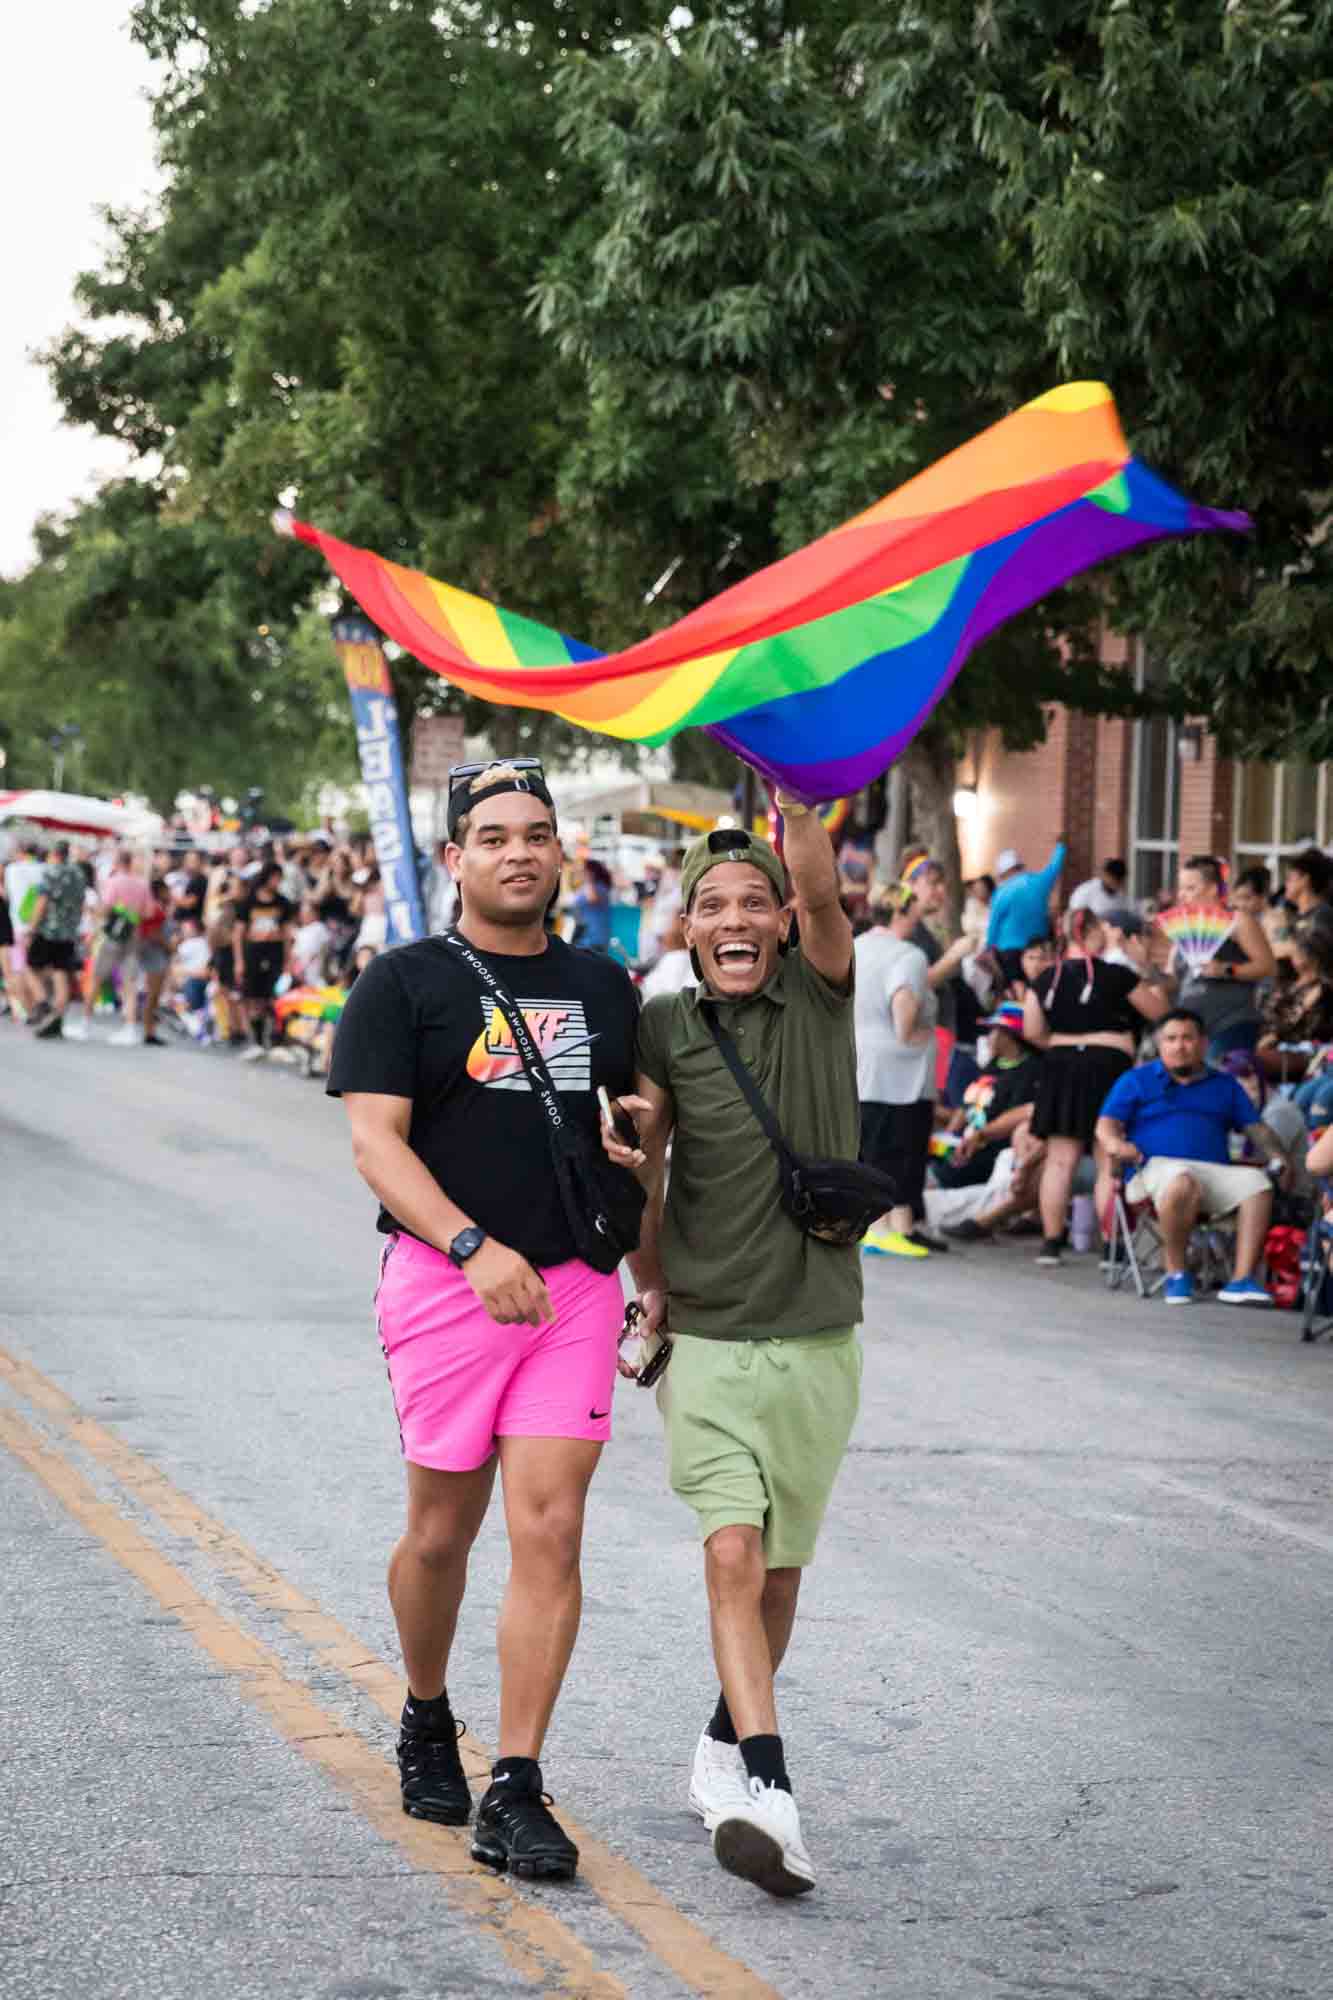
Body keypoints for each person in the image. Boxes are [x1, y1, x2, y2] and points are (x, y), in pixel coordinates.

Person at [328, 759, 643, 1884]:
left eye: (539, 833)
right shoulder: (403, 982)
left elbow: (625, 1133)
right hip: (448, 1285)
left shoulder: (608, 989)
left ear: (563, 854)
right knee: (438, 1534)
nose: (520, 850)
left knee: (550, 1530)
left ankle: (515, 1780)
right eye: (495, 834)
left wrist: (642, 1152)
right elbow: (376, 1141)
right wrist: (472, 1246)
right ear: (455, 859)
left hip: (573, 1289)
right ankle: (424, 1711)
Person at [603, 800, 861, 1900]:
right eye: (713, 905)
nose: (737, 917)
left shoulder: (818, 990)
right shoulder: (665, 1021)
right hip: (705, 1329)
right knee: (729, 1553)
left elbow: (820, 890)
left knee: (781, 1570)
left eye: (754, 901)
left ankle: (720, 1738)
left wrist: (795, 803)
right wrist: (644, 1275)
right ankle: (769, 1787)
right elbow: (648, 1153)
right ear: (690, 927)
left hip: (817, 1332)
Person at [1096, 1009, 1288, 1306]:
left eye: (1187, 1038)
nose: (1179, 1045)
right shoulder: (1136, 1080)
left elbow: (1256, 1129)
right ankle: (1177, 1272)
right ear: (1160, 1045)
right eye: (1170, 1039)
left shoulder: (1224, 1085)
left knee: (1257, 1183)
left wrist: (1278, 1156)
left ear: (1203, 1043)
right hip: (1153, 1169)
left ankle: (1240, 1280)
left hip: (1213, 1172)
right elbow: (1106, 1125)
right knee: (1181, 1180)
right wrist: (1115, 1144)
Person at [1023, 909, 1172, 1265]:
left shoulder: (1046, 979)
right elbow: (1159, 1012)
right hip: (1108, 1067)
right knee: (1108, 1158)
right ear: (1092, 932)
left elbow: (1031, 1030)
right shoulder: (1119, 975)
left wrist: (1067, 1041)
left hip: (1061, 1068)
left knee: (1060, 1160)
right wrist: (1151, 972)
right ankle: (1111, 1246)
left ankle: (1050, 1243)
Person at [854, 884, 937, 1259]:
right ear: (903, 912)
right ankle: (883, 1229)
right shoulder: (909, 956)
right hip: (899, 1068)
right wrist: (922, 1034)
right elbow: (903, 1012)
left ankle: (884, 1226)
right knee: (899, 1148)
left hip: (858, 1060)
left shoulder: (856, 947)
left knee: (867, 1147)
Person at [932, 1001, 1044, 1242]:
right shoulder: (991, 1065)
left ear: (1011, 1036)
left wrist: (976, 1138)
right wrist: (949, 1138)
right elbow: (967, 1105)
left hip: (992, 1147)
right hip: (965, 1143)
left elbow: (1016, 1117)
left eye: (994, 1031)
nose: (988, 1037)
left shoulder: (1030, 1071)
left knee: (943, 1177)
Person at [1172, 854, 1275, 1062]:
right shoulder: (1182, 927)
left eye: (1190, 888)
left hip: (1230, 1025)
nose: (1182, 895)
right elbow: (1174, 982)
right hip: (1190, 1031)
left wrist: (1227, 969)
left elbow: (1268, 966)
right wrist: (1144, 964)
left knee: (1217, 1087)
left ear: (1211, 889)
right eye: (1180, 888)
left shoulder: (1238, 921)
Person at [80, 848, 154, 1044]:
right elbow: (148, 912)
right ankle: (129, 1028)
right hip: (133, 935)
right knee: (129, 982)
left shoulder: (113, 882)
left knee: (96, 978)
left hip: (112, 936)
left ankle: (85, 1023)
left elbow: (105, 908)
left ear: (117, 863)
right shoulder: (142, 884)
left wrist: (95, 914)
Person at [1255, 920, 1333, 1086]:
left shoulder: (1323, 988)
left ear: (1311, 956)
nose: (1292, 956)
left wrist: (1274, 1036)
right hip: (1271, 1043)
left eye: (1297, 952)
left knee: (1253, 1061)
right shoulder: (1288, 978)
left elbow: (1306, 1028)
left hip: (1303, 1050)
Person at [232, 859, 295, 1061]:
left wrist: (287, 959)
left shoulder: (283, 903)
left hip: (275, 954)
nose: (277, 882)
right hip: (253, 954)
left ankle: (277, 1041)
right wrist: (239, 961)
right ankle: (258, 1041)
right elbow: (238, 933)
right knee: (254, 999)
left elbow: (286, 933)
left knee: (276, 997)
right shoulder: (248, 902)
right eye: (274, 877)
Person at [26, 840, 89, 1039]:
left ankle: (43, 1001)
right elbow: (82, 902)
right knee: (61, 973)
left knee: (30, 967)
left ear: (54, 854)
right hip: (69, 933)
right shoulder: (79, 874)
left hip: (49, 930)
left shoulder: (50, 873)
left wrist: (31, 928)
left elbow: (42, 902)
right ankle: (57, 1019)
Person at [986, 839, 1067, 973]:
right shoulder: (1041, 881)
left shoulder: (1001, 893)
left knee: (1016, 988)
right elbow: (1055, 866)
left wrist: (989, 947)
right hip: (1039, 949)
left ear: (1004, 872)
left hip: (1009, 950)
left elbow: (994, 923)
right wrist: (1060, 847)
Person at [568, 858, 613, 953]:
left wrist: (589, 880)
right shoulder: (583, 888)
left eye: (584, 870)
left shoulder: (600, 887)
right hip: (583, 936)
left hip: (596, 936)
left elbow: (592, 899)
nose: (582, 873)